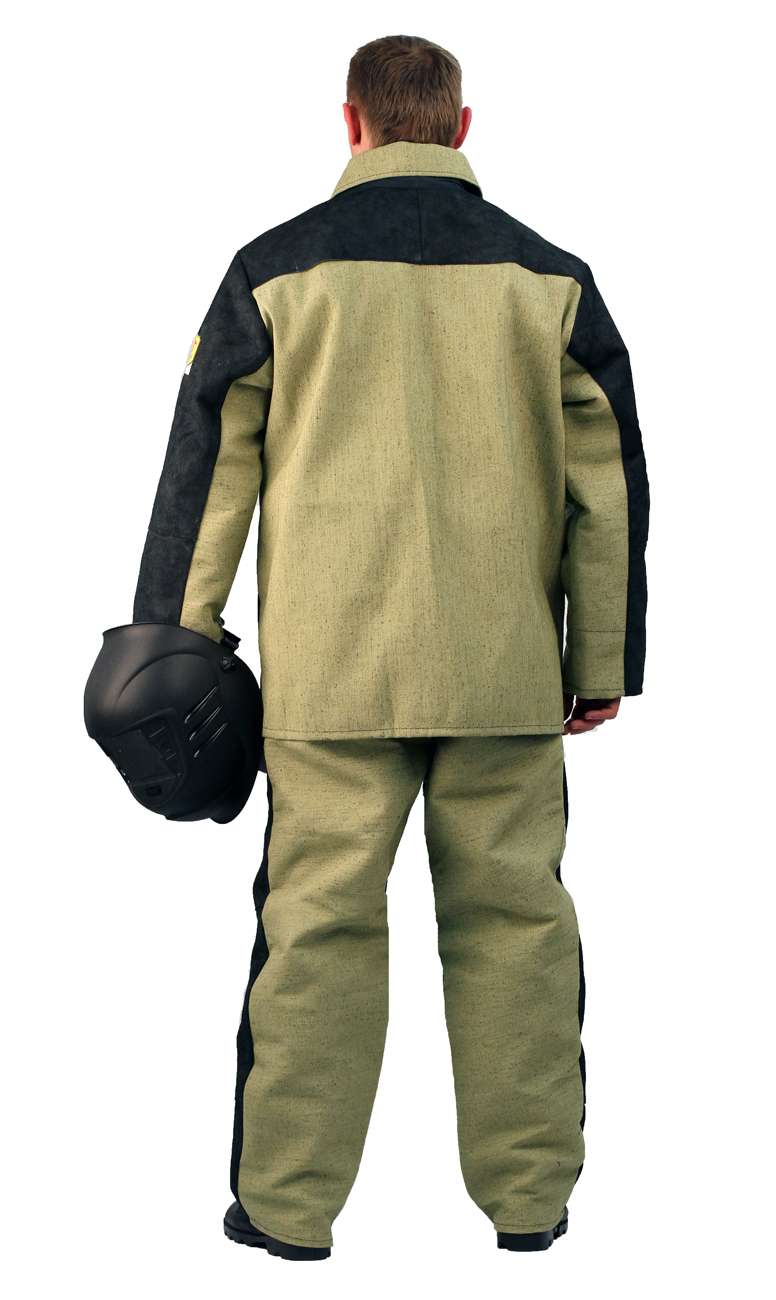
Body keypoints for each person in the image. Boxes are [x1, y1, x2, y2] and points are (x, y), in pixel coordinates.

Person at [131, 33, 649, 1260]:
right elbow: (607, 482)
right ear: (461, 128)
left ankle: (285, 1209)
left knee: (313, 931)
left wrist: (171, 643)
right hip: (503, 674)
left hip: (328, 678)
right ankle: (528, 1204)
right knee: (517, 928)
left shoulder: (272, 273)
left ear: (349, 123)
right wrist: (600, 663)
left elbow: (208, 473)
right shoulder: (550, 278)